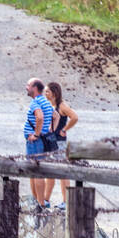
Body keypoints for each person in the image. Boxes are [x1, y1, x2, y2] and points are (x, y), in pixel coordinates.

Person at [42, 81, 79, 207]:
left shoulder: (62, 106)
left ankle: (66, 201)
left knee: (62, 172)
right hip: (49, 143)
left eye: (47, 91)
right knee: (49, 171)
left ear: (54, 93)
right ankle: (46, 200)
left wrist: (64, 129)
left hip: (59, 143)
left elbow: (74, 117)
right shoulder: (48, 105)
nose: (45, 93)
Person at [22, 78, 54, 210]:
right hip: (42, 140)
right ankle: (37, 202)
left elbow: (39, 117)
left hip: (35, 142)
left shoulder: (35, 102)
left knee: (36, 172)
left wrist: (36, 134)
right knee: (35, 171)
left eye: (28, 85)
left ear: (35, 88)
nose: (26, 87)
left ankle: (40, 204)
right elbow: (55, 116)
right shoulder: (46, 102)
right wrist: (50, 130)